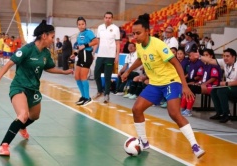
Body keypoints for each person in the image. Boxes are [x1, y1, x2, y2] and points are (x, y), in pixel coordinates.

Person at [121, 13, 205, 158]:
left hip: (171, 81)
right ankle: (144, 141)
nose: (135, 36)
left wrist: (184, 86)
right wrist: (128, 71)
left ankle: (195, 145)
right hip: (155, 84)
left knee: (174, 113)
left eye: (138, 33)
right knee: (136, 109)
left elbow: (176, 64)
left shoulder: (158, 45)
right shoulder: (140, 45)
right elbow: (140, 59)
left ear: (147, 31)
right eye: (134, 33)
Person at [0, 20, 73, 156]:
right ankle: (4, 145)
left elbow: (49, 68)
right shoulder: (27, 49)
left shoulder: (46, 53)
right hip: (19, 86)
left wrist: (64, 72)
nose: (53, 40)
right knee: (23, 115)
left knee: (34, 116)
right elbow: (9, 63)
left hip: (33, 89)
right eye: (52, 37)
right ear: (44, 36)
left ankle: (22, 126)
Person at [200, 48, 237, 123]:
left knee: (221, 91)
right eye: (224, 56)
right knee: (214, 90)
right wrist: (199, 56)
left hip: (234, 87)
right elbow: (210, 60)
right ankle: (219, 113)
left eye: (227, 56)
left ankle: (227, 114)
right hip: (229, 87)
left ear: (234, 57)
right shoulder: (224, 62)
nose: (225, 58)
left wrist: (226, 83)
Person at [70, 17, 98, 106]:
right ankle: (83, 96)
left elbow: (96, 41)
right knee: (76, 76)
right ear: (77, 25)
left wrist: (86, 45)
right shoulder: (79, 34)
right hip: (81, 55)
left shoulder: (88, 32)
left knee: (83, 76)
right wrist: (75, 53)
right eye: (79, 24)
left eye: (82, 24)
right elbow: (79, 47)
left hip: (87, 55)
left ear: (85, 24)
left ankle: (87, 98)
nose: (81, 26)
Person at [93, 11, 120, 103]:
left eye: (109, 18)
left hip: (110, 56)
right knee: (96, 74)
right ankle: (100, 91)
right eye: (106, 17)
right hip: (100, 55)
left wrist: (117, 56)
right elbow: (98, 41)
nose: (107, 19)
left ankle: (106, 95)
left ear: (112, 19)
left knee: (107, 76)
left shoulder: (115, 28)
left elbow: (117, 43)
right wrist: (93, 52)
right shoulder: (100, 27)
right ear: (104, 18)